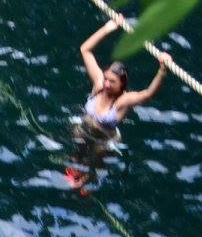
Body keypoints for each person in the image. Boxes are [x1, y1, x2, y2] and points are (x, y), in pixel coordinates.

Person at [65, 17, 172, 190]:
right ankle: (75, 166)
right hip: (86, 127)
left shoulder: (123, 100)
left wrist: (162, 70)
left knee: (97, 156)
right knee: (77, 140)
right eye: (106, 79)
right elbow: (85, 50)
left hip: (105, 138)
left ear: (122, 84)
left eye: (112, 82)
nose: (106, 84)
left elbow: (148, 94)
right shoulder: (99, 84)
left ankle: (88, 180)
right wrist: (107, 28)